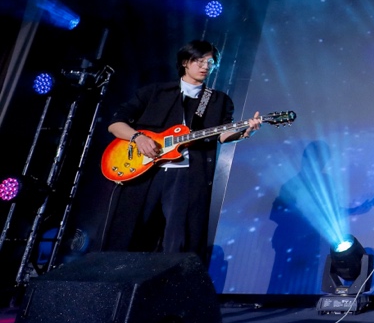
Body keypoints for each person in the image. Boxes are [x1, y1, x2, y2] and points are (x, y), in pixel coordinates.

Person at [105, 39, 261, 259]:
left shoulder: (218, 101)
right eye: (199, 61)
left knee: (179, 241)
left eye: (210, 63)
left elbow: (222, 135)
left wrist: (246, 131)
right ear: (185, 62)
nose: (205, 66)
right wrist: (138, 137)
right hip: (144, 173)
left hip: (186, 176)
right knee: (129, 235)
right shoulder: (154, 92)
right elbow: (115, 124)